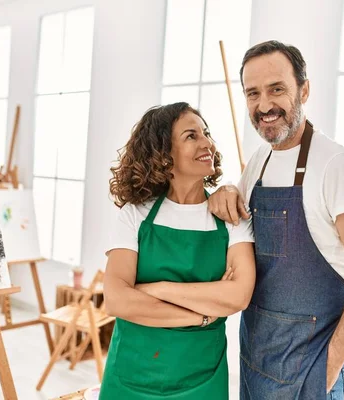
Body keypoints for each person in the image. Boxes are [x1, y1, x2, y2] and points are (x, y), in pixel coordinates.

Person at [207, 41, 344, 399]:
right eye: (253, 94)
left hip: (309, 374)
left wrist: (329, 367)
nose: (264, 106)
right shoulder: (259, 162)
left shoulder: (336, 166)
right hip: (255, 363)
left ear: (304, 89)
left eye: (277, 89)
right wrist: (227, 188)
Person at [100, 102, 256, 400]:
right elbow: (117, 299)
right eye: (191, 136)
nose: (207, 143)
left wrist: (155, 289)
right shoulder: (136, 214)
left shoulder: (230, 217)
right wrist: (202, 315)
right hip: (132, 375)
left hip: (202, 378)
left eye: (206, 133)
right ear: (163, 153)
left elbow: (239, 296)